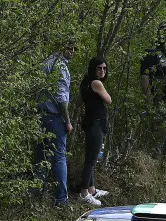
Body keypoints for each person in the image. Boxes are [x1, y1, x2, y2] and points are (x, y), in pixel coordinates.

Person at [34, 41, 76, 207]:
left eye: (74, 48)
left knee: (40, 157)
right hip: (54, 117)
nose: (72, 51)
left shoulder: (46, 62)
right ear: (61, 47)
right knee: (59, 158)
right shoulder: (60, 66)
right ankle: (61, 200)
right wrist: (68, 121)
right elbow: (61, 97)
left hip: (40, 116)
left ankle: (36, 197)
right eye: (69, 47)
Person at [140, 21, 166, 166]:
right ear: (159, 33)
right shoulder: (152, 53)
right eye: (165, 31)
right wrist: (149, 100)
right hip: (160, 101)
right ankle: (154, 167)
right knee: (159, 135)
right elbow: (145, 77)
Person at [79, 57, 112, 206]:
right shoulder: (96, 83)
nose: (103, 71)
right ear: (93, 69)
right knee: (91, 160)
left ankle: (92, 189)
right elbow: (108, 99)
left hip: (90, 121)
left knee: (90, 156)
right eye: (99, 68)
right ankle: (84, 193)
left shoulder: (85, 82)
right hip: (96, 123)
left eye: (105, 68)